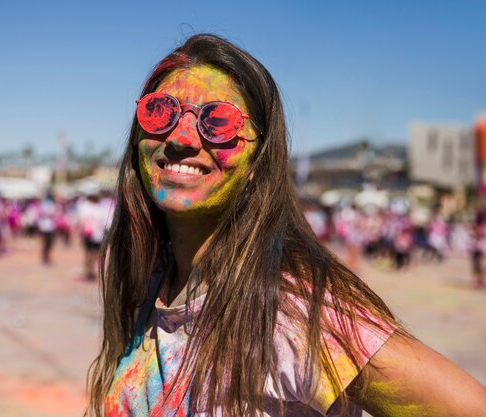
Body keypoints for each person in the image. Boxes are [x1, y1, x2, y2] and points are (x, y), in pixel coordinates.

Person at [86, 34, 486, 417]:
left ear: (258, 166)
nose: (182, 138)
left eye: (217, 121)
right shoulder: (152, 280)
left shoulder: (294, 309)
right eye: (161, 111)